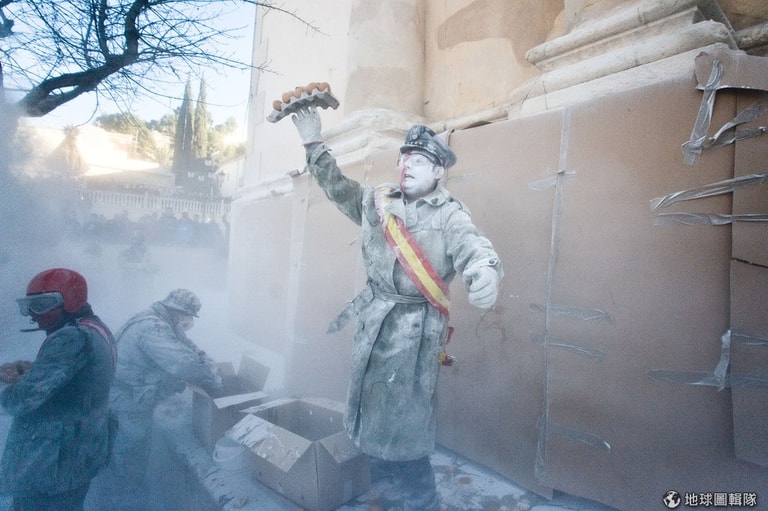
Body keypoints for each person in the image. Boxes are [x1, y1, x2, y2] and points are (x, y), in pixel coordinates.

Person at [290, 106, 503, 511]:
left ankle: (421, 502)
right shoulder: (379, 201)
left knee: (405, 429)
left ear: (438, 171)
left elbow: (473, 247)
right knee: (371, 416)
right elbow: (337, 188)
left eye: (418, 160)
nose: (406, 166)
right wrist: (313, 143)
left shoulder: (449, 214)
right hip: (374, 325)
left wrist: (485, 272)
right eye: (404, 159)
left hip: (414, 334)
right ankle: (385, 497)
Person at [0, 268, 116, 511]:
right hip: (77, 455)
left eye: (42, 305)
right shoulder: (95, 327)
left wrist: (7, 386)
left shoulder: (71, 337)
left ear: (70, 301)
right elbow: (78, 379)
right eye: (29, 306)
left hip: (52, 463)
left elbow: (22, 401)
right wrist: (32, 371)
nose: (34, 315)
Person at [103, 288, 221, 506]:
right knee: (131, 449)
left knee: (137, 446)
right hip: (127, 400)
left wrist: (212, 366)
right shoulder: (152, 327)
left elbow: (188, 348)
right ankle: (125, 499)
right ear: (178, 311)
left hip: (135, 396)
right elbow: (182, 363)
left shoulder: (162, 321)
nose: (187, 322)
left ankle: (131, 490)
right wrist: (213, 381)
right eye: (187, 316)